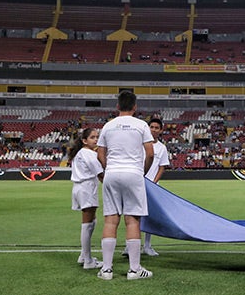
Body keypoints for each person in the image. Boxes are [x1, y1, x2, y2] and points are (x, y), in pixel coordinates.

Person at [96, 90, 155, 281]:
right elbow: (150, 153)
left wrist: (109, 168)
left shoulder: (108, 126)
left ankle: (106, 270)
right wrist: (142, 172)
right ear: (135, 107)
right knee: (132, 220)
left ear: (117, 106)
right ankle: (134, 270)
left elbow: (100, 154)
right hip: (133, 174)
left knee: (111, 221)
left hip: (112, 173)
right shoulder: (141, 125)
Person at [122, 117, 171, 257]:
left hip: (152, 186)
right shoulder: (139, 144)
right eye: (152, 127)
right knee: (132, 214)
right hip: (136, 183)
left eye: (157, 127)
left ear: (161, 130)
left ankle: (147, 246)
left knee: (150, 216)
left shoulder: (162, 148)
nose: (154, 130)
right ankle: (129, 245)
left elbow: (162, 167)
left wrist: (154, 182)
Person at [69, 128, 104, 270]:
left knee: (90, 220)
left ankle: (84, 255)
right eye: (92, 137)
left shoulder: (80, 153)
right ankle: (88, 260)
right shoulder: (88, 154)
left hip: (79, 187)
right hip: (87, 187)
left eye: (97, 137)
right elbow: (100, 174)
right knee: (87, 223)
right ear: (84, 140)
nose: (96, 139)